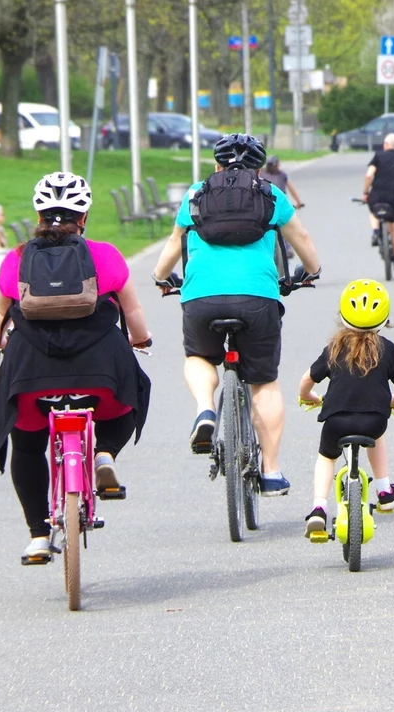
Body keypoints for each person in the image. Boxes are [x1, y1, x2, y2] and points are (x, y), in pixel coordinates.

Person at [0, 172, 153, 563]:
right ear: (84, 215)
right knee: (131, 396)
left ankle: (39, 536)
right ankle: (106, 453)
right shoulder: (105, 255)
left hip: (30, 378)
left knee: (26, 444)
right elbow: (133, 313)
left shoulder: (17, 258)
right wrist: (140, 340)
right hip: (100, 374)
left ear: (38, 214)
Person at [151, 133, 321, 497]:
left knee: (199, 357)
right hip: (257, 298)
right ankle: (272, 472)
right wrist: (312, 270)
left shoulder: (196, 194)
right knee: (263, 381)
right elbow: (301, 237)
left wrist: (160, 277)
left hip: (202, 297)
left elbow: (173, 243)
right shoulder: (269, 194)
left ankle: (204, 410)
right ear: (258, 168)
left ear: (216, 165)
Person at [297, 279, 394, 538]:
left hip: (336, 421)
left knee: (327, 458)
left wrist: (309, 397)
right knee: (377, 435)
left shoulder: (335, 347)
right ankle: (384, 490)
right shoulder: (388, 349)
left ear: (343, 316)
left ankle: (318, 509)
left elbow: (307, 380)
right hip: (374, 420)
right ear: (384, 319)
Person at [363, 133, 394, 271]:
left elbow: (369, 175)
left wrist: (365, 192)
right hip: (391, 199)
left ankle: (375, 231)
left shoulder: (378, 156)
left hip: (376, 196)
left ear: (385, 145)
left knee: (372, 211)